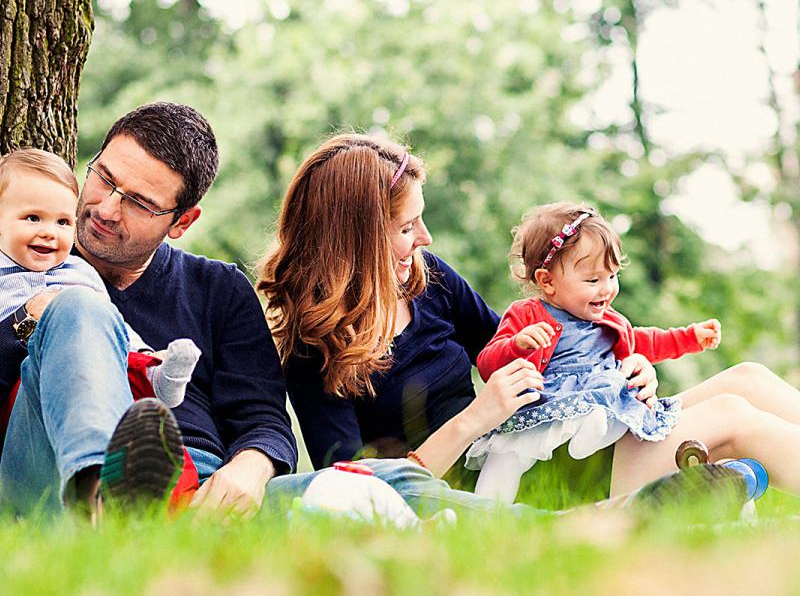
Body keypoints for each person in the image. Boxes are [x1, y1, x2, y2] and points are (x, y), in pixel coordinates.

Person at [258, 132, 800, 505]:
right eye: (406, 228)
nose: (424, 239)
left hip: (546, 432)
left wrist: (625, 365)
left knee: (747, 378)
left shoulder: (428, 279)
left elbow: (526, 347)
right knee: (732, 415)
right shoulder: (314, 351)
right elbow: (358, 492)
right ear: (354, 238)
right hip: (499, 483)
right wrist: (478, 416)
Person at [0, 102, 297, 516]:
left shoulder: (220, 288)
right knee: (78, 308)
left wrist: (251, 468)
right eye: (104, 178)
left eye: (138, 202)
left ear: (182, 222)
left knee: (386, 484)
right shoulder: (17, 269)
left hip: (202, 487)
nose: (105, 209)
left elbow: (263, 416)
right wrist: (28, 320)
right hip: (53, 477)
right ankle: (106, 500)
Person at [464, 203, 720, 502]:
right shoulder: (526, 314)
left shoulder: (609, 322)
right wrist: (517, 345)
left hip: (597, 402)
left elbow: (647, 341)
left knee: (614, 389)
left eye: (612, 276)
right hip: (541, 406)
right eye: (593, 280)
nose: (607, 289)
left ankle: (596, 430)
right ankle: (484, 509)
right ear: (547, 281)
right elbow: (486, 364)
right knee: (506, 455)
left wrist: (689, 337)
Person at [0, 148, 201, 410]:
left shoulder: (78, 271)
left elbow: (115, 327)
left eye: (62, 222)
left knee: (104, 328)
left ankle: (154, 376)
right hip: (25, 399)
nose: (49, 233)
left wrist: (144, 356)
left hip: (89, 380)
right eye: (33, 218)